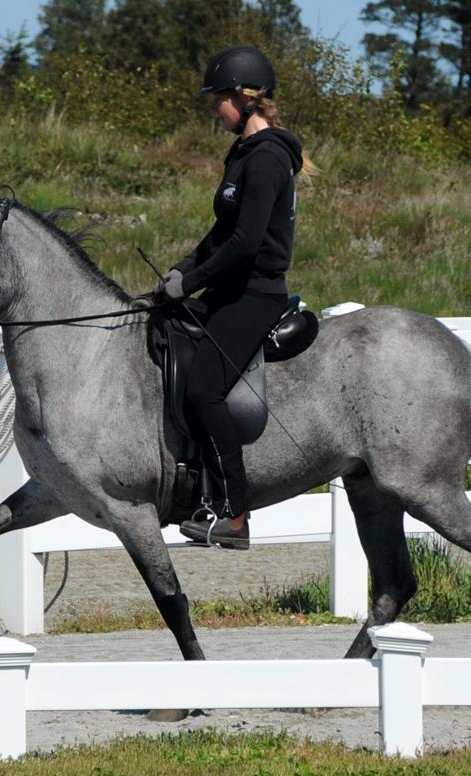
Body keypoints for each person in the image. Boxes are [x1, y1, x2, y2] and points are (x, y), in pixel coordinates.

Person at [155, 45, 309, 550]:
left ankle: (235, 513)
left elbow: (245, 244)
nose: (213, 107)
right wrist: (180, 272)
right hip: (226, 287)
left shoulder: (266, 160)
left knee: (205, 391)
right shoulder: (240, 154)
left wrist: (193, 281)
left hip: (255, 294)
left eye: (218, 97)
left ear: (245, 98)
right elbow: (221, 233)